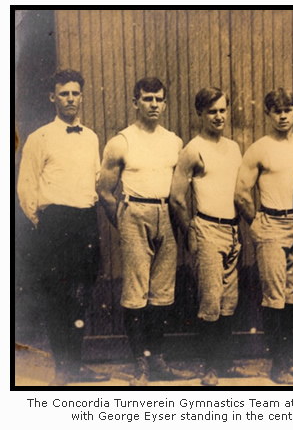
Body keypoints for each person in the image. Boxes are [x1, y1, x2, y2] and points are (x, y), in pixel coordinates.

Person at [17, 69, 109, 385]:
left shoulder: (93, 137)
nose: (70, 99)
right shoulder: (39, 137)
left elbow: (95, 181)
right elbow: (26, 187)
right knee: (58, 297)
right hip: (54, 225)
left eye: (75, 93)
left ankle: (78, 364)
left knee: (82, 295)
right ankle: (62, 369)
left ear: (82, 96)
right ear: (53, 97)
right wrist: (43, 224)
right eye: (64, 93)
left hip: (85, 221)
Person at [97, 77, 191, 386]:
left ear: (165, 103)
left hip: (166, 214)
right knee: (136, 294)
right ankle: (140, 364)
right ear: (135, 102)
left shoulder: (174, 141)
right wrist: (124, 223)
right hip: (134, 212)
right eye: (147, 99)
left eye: (158, 99)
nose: (153, 104)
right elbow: (105, 191)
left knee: (161, 294)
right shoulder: (121, 141)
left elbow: (180, 189)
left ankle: (158, 360)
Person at [234, 88, 293, 384]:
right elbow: (242, 192)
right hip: (270, 223)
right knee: (274, 297)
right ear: (267, 114)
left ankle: (286, 359)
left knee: (292, 296)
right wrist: (258, 224)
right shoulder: (259, 148)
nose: (283, 115)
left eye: (288, 109)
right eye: (276, 110)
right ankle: (277, 363)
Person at [170, 87, 242, 386]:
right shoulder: (193, 149)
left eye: (223, 110)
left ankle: (224, 363)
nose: (219, 116)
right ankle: (209, 367)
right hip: (207, 228)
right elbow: (176, 197)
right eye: (212, 111)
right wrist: (192, 232)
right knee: (210, 301)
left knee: (229, 301)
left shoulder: (235, 147)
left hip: (233, 230)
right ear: (200, 114)